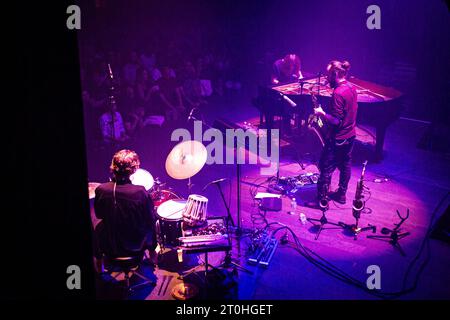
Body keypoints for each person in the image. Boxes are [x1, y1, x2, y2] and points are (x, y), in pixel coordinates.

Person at [93, 149, 157, 272]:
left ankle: (99, 263)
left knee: (98, 227)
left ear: (113, 167)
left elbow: (99, 214)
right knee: (149, 225)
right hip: (135, 246)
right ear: (134, 169)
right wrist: (152, 247)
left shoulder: (101, 189)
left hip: (109, 246)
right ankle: (153, 255)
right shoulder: (140, 192)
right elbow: (150, 221)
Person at [312, 60, 357, 204]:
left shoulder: (338, 93)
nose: (327, 78)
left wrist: (321, 113)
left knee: (326, 167)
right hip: (350, 135)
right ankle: (341, 195)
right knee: (345, 165)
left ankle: (321, 201)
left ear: (336, 74)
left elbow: (336, 120)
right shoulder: (352, 88)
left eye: (329, 75)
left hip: (338, 137)